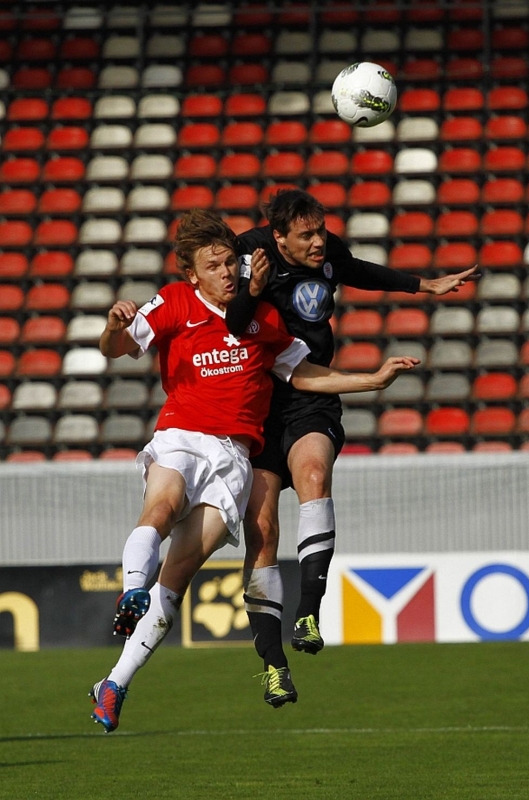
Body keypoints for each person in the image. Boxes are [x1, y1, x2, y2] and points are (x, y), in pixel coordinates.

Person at [89, 208, 419, 732]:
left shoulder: (261, 319)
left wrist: (372, 381)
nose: (226, 272)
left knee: (177, 577)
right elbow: (117, 349)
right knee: (162, 506)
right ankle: (132, 588)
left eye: (229, 263)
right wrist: (112, 327)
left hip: (234, 458)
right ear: (192, 274)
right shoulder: (174, 303)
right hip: (181, 435)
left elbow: (304, 374)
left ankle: (114, 684)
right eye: (213, 266)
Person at [224, 189, 479, 687]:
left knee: (314, 474)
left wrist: (424, 286)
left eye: (321, 230)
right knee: (263, 530)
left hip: (312, 393)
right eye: (306, 235)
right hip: (255, 402)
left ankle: (309, 613)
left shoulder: (328, 251)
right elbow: (233, 321)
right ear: (279, 237)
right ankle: (274, 665)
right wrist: (251, 289)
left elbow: (358, 270)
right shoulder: (249, 252)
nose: (319, 242)